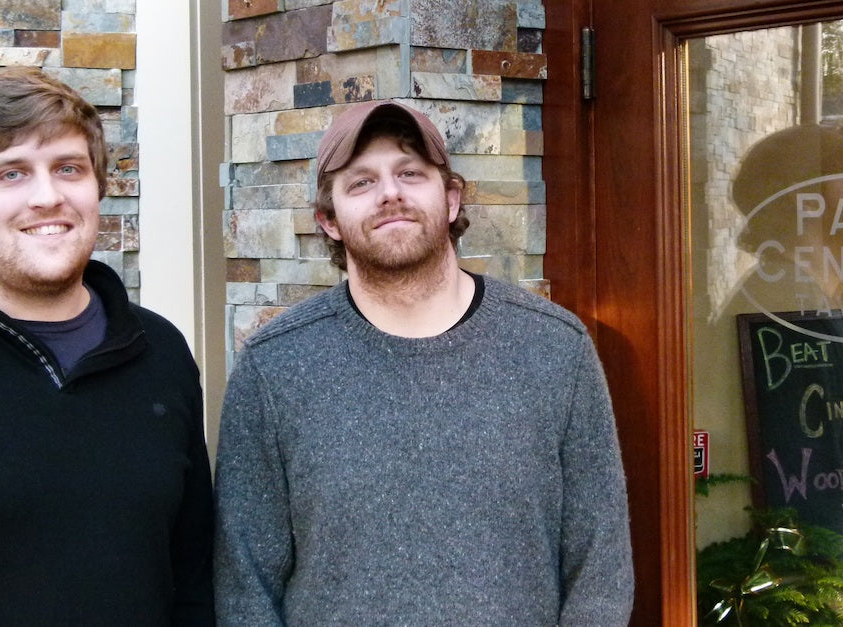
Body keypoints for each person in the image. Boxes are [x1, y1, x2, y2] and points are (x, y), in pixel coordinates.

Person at [214, 100, 634, 624]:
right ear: (329, 221)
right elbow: (245, 586)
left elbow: (601, 570)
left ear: (452, 199)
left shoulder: (554, 348)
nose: (390, 193)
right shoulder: (274, 367)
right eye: (361, 182)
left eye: (410, 173)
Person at [0, 67, 214, 625]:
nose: (47, 197)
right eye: (11, 174)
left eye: (68, 169)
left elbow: (192, 576)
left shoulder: (161, 352)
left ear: (98, 185)